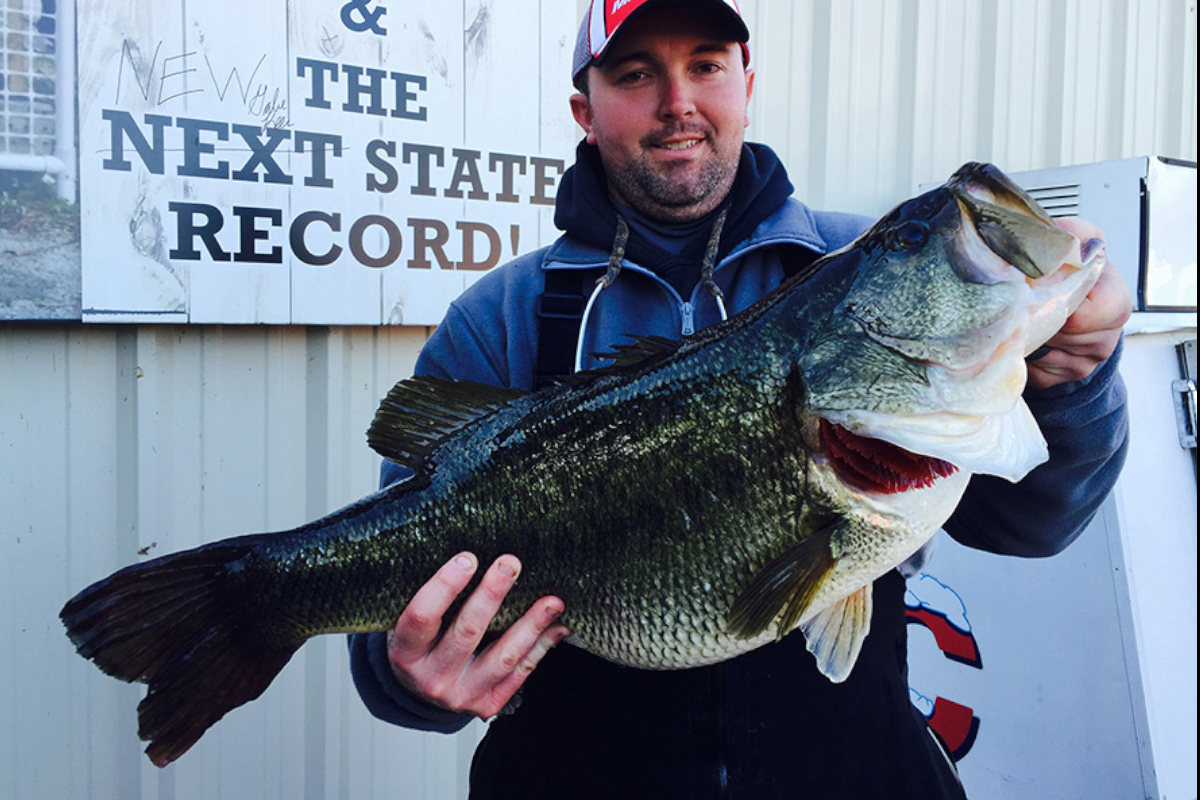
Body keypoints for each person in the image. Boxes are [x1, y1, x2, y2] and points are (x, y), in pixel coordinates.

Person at [348, 1, 1132, 797]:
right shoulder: (499, 318)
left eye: (706, 64)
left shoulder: (847, 261)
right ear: (586, 111)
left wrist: (1076, 378)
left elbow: (1034, 521)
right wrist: (409, 677)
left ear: (747, 85)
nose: (678, 100)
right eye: (635, 73)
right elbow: (392, 597)